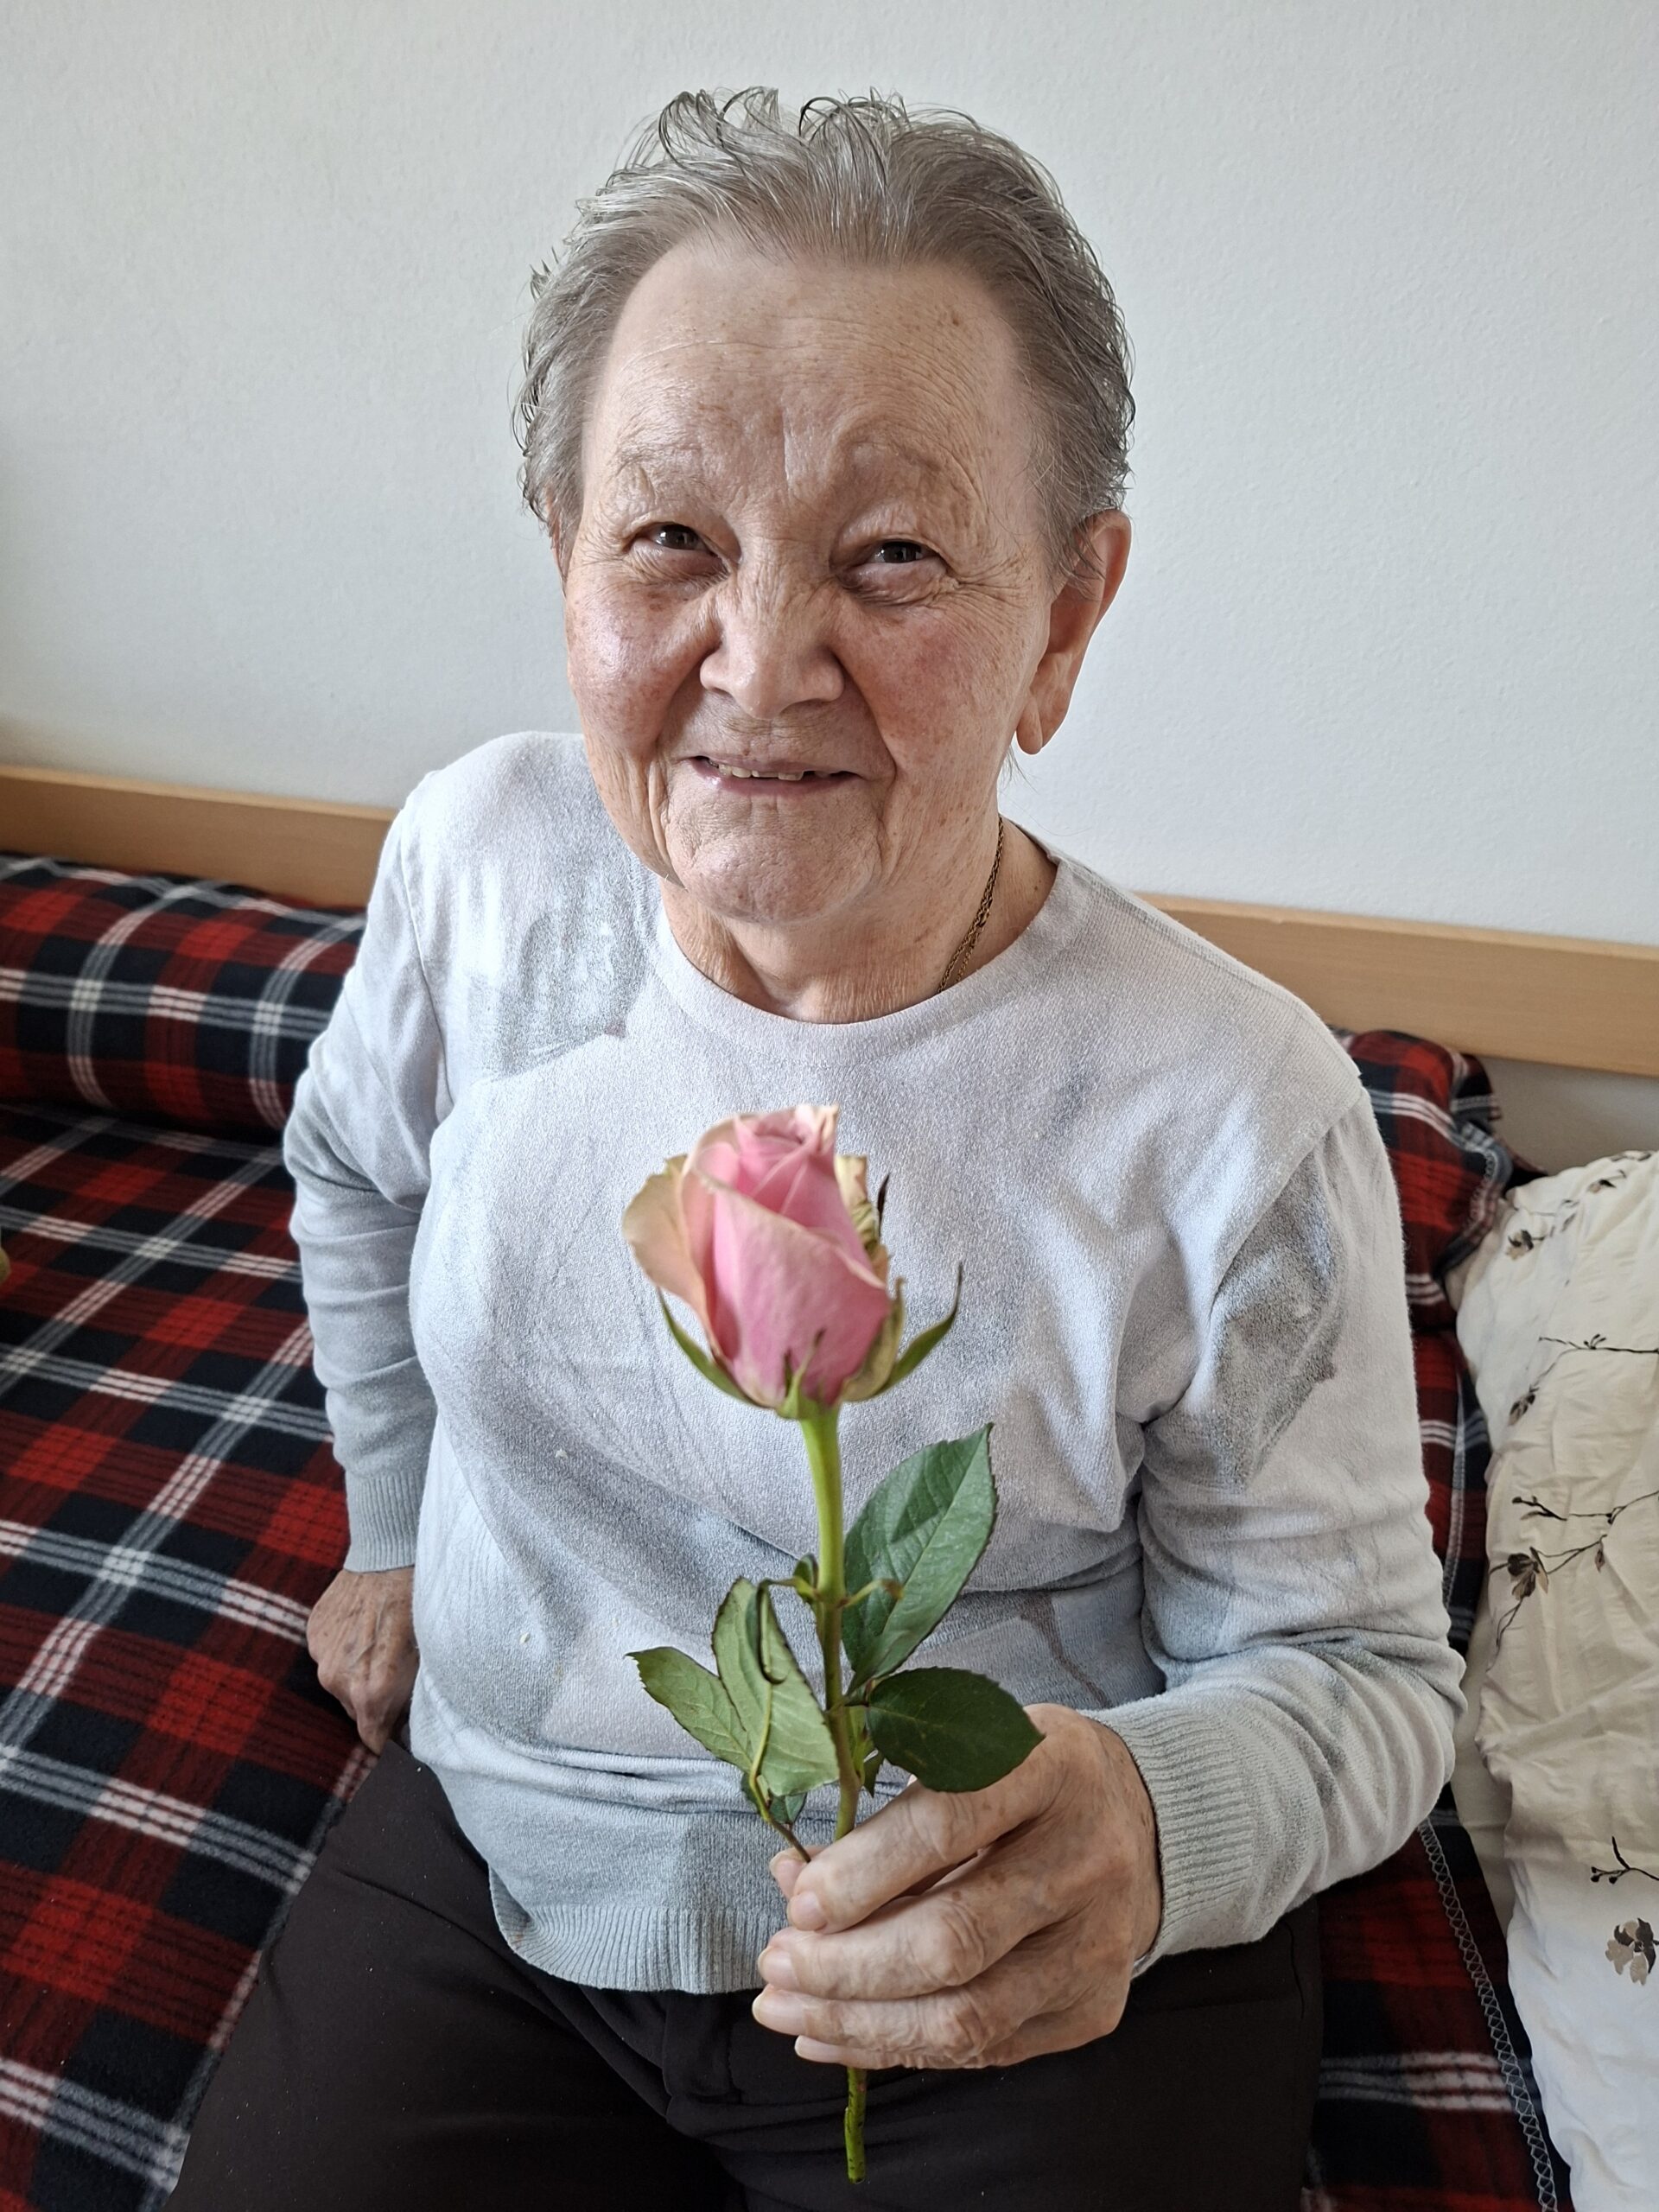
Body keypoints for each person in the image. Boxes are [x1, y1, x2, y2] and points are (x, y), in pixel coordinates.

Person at [167, 87, 1459, 2211]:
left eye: (892, 556)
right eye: (669, 541)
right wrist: (390, 1529)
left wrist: (1149, 1824)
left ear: (1064, 617)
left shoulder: (1236, 1111)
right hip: (513, 1841)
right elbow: (354, 1169)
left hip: (1007, 1935)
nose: (760, 669)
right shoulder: (481, 874)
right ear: (565, 558)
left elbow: (1361, 1675)